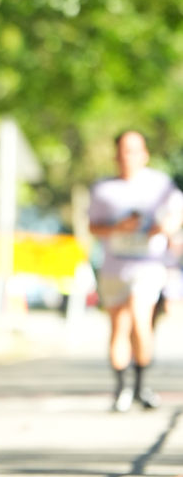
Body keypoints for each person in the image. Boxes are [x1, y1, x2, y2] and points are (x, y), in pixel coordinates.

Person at [88, 130, 183, 412]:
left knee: (141, 321)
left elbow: (178, 212)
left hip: (148, 265)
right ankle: (122, 390)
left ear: (145, 154)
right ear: (116, 154)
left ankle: (140, 386)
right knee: (119, 326)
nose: (128, 156)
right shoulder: (103, 189)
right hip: (115, 267)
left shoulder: (161, 184)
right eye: (123, 150)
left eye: (134, 150)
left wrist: (167, 226)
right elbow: (93, 226)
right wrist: (118, 228)